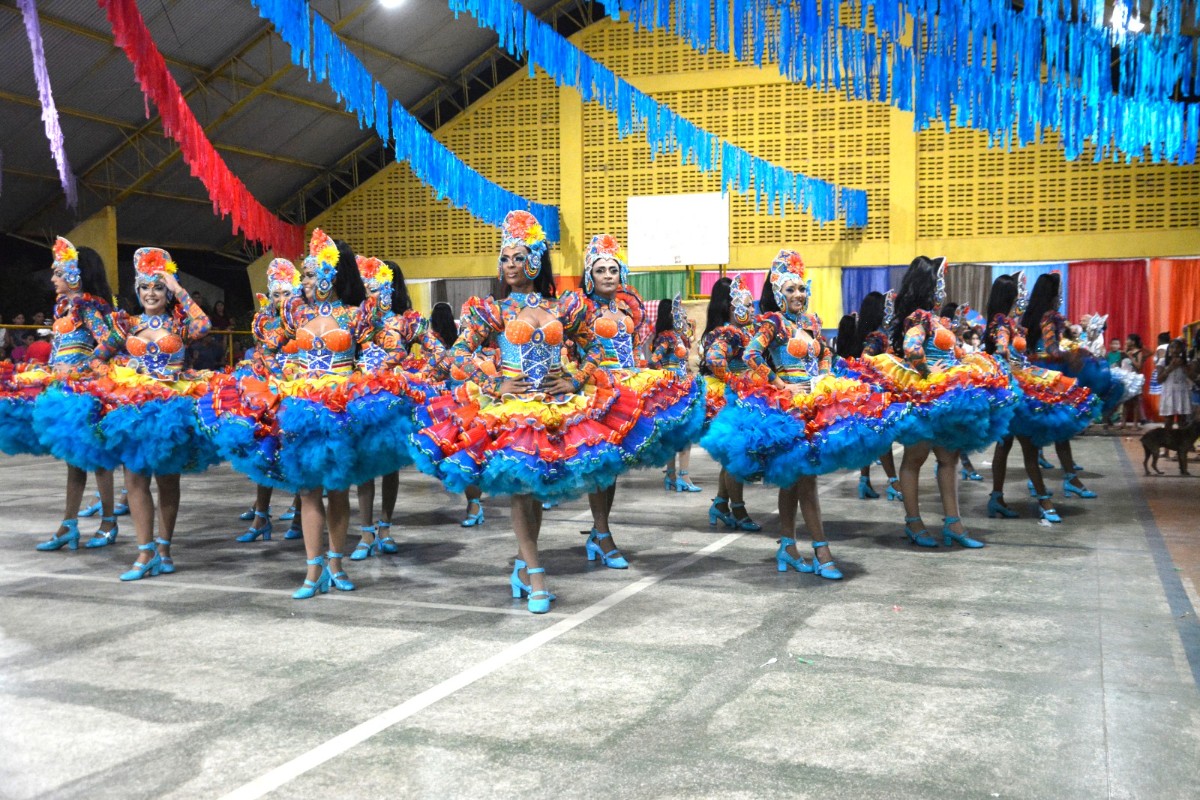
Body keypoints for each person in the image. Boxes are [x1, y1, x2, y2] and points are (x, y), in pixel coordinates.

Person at [410, 210, 629, 613]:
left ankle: (524, 567)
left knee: (536, 488)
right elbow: (457, 351)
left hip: (556, 407)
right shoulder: (492, 310)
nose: (510, 266)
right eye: (505, 258)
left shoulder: (564, 306)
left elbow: (597, 347)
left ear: (535, 260)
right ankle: (537, 572)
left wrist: (575, 379)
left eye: (518, 257)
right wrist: (495, 383)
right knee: (522, 489)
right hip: (511, 410)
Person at [703, 250, 904, 578]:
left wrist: (823, 375)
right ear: (780, 294)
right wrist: (781, 384)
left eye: (802, 289)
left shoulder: (810, 322)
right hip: (789, 406)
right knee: (804, 480)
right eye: (791, 290)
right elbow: (753, 354)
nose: (799, 295)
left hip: (817, 400)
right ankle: (821, 550)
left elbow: (825, 352)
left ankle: (788, 545)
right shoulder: (774, 322)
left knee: (796, 481)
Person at [842, 256, 1013, 549]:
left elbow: (951, 351)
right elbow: (911, 347)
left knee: (949, 459)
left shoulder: (937, 320)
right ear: (930, 284)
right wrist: (924, 369)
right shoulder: (919, 317)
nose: (943, 288)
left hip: (946, 396)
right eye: (940, 280)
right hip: (923, 396)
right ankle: (914, 522)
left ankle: (953, 523)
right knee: (915, 460)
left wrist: (966, 358)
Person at [571, 234, 704, 566]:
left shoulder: (625, 309)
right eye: (600, 270)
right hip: (598, 393)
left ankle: (600, 533)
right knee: (601, 468)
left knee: (613, 469)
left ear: (621, 275)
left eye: (612, 270)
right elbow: (573, 350)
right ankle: (603, 535)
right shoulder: (580, 310)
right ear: (590, 276)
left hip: (628, 389)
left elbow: (629, 350)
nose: (607, 275)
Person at [86, 248, 216, 580]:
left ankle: (164, 549)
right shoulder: (126, 324)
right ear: (137, 290)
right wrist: (119, 372)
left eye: (157, 287)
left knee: (168, 480)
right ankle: (144, 553)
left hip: (171, 408)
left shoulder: (180, 324)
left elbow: (204, 324)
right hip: (134, 408)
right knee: (134, 480)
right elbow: (97, 358)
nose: (151, 293)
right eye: (145, 287)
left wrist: (178, 288)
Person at [982, 273, 1095, 523]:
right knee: (1029, 448)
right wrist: (1009, 357)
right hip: (1016, 390)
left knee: (1005, 446)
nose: (1023, 294)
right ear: (1010, 296)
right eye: (1019, 290)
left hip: (1012, 386)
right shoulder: (1002, 322)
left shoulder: (1006, 321)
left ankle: (997, 498)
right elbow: (1001, 348)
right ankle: (1043, 501)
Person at [349, 256, 432, 561]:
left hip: (395, 401)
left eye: (377, 287)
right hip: (360, 398)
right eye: (366, 287)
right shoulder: (356, 321)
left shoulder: (407, 321)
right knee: (363, 468)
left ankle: (385, 527)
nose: (371, 294)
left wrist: (420, 373)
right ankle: (365, 531)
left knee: (389, 467)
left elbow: (437, 349)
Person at [700, 274, 763, 529]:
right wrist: (735, 381)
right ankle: (738, 510)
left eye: (750, 304)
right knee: (737, 454)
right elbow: (715, 360)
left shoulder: (737, 331)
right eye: (745, 304)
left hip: (739, 395)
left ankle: (720, 504)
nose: (751, 309)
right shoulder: (730, 333)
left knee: (732, 456)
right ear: (729, 305)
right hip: (732, 398)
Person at [835, 291, 902, 502]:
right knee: (883, 438)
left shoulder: (861, 332)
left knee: (871, 438)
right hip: (874, 393)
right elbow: (866, 359)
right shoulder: (877, 336)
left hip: (860, 391)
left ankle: (864, 481)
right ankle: (894, 482)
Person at [650, 295, 702, 492]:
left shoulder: (678, 337)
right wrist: (668, 378)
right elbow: (654, 359)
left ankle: (673, 476)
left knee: (679, 434)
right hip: (673, 390)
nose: (683, 315)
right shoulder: (667, 337)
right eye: (678, 312)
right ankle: (681, 476)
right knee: (681, 435)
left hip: (683, 387)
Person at [1156, 338, 1194, 435]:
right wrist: (1170, 367)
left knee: (1182, 420)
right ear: (1168, 349)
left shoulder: (1187, 361)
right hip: (1169, 392)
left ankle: (1182, 445)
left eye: (1178, 347)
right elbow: (1159, 380)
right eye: (1172, 347)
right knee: (1168, 421)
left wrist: (1183, 365)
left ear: (1182, 350)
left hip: (1182, 392)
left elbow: (1192, 376)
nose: (1175, 350)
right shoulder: (1163, 361)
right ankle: (1166, 446)